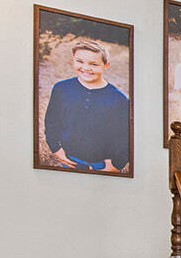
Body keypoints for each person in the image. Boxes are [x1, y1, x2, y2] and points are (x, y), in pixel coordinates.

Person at [45, 39, 131, 174]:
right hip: (69, 160)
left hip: (103, 165)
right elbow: (52, 121)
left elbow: (125, 135)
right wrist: (55, 148)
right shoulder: (61, 89)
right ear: (73, 60)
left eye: (93, 64)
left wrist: (117, 163)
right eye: (79, 61)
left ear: (105, 65)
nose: (86, 68)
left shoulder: (119, 99)